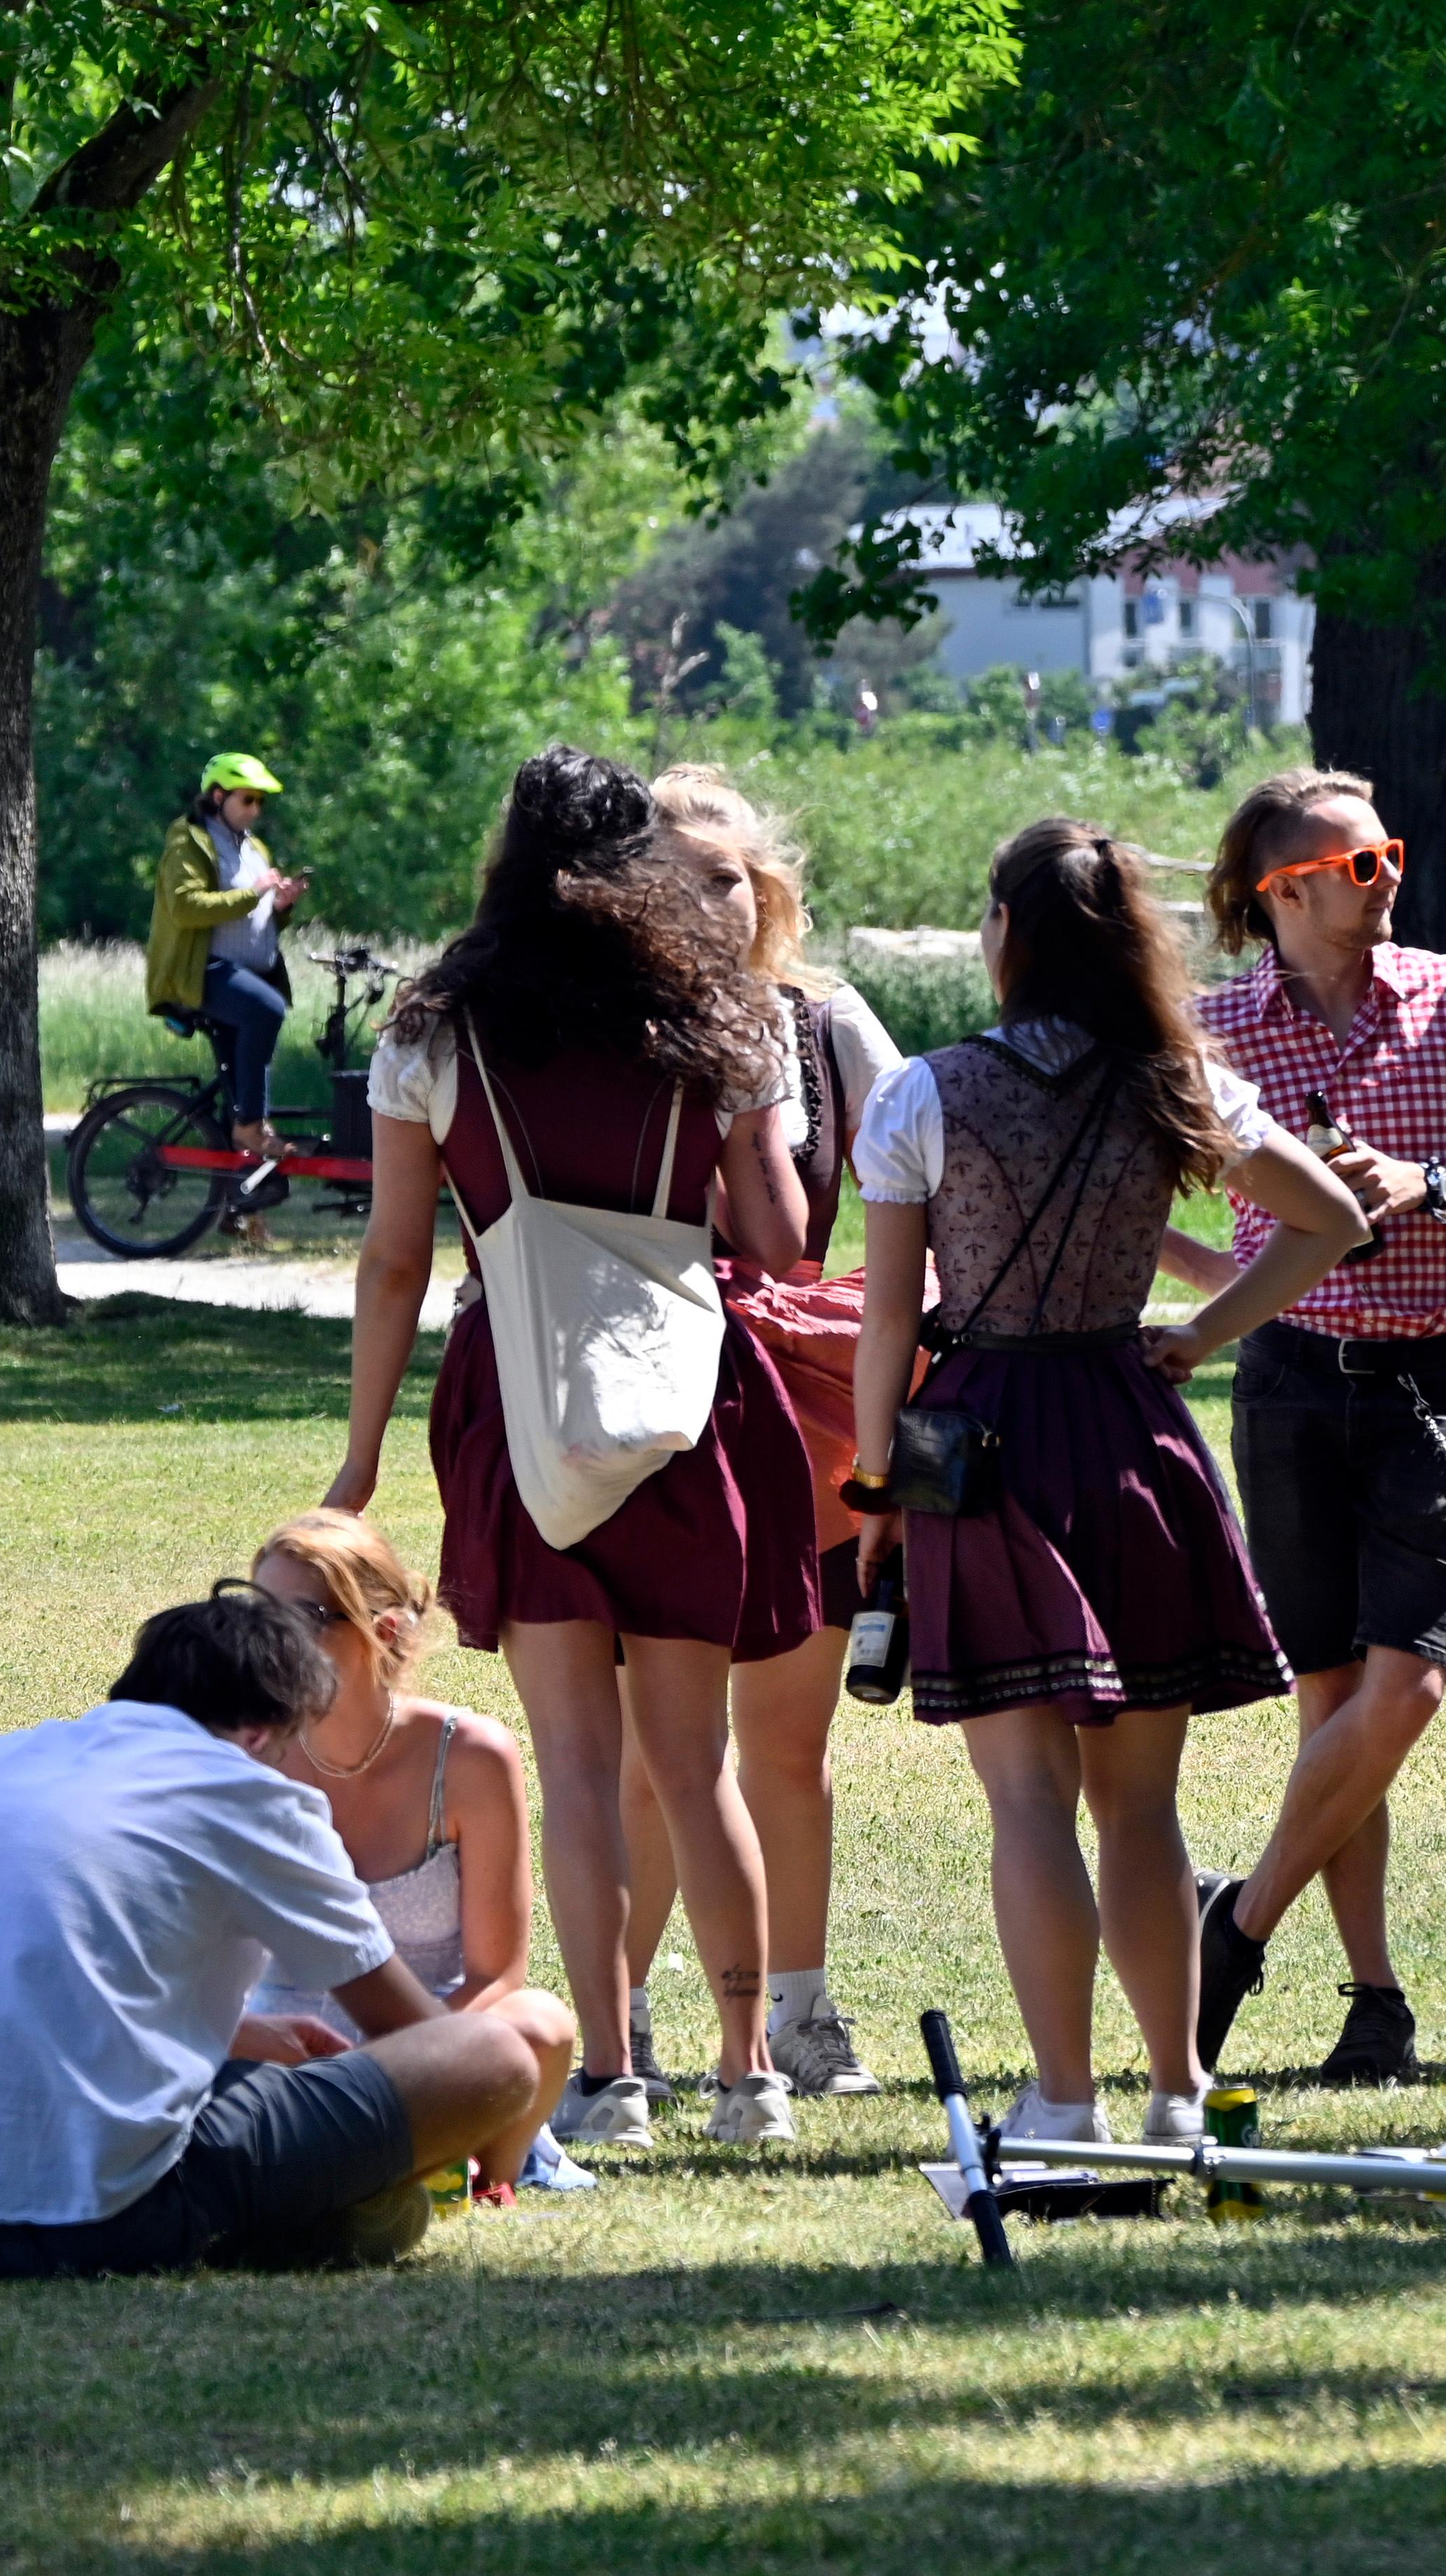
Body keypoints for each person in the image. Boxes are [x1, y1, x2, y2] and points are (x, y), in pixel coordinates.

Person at [324, 745, 816, 2152]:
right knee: (696, 1758)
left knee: (578, 1767)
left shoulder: (435, 1025)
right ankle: (749, 2072)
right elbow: (778, 1239)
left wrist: (358, 1460)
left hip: (519, 1392)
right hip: (686, 1397)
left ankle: (613, 2077)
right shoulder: (720, 1016)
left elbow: (395, 1259)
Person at [847, 819, 1367, 2144]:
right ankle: (1176, 2094)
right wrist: (1199, 1334)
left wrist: (869, 1484)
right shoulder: (1174, 1076)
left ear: (1006, 934)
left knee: (1026, 1800)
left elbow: (889, 1324)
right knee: (1142, 1802)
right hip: (1130, 1436)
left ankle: (1063, 2099)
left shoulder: (922, 1091)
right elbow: (1330, 1219)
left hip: (979, 1448)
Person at [1162, 770, 1446, 2086]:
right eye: (1354, 861)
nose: (1385, 874)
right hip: (1280, 1381)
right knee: (1328, 1695)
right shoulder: (1211, 1031)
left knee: (1411, 1684)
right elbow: (1134, 1190)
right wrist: (1202, 1289)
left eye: (1387, 850)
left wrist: (1431, 1185)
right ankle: (1373, 2002)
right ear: (1278, 889)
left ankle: (1238, 1919)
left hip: (1422, 1383)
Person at [0, 1584, 549, 2278]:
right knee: (494, 2054)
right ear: (262, 1734)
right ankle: (337, 2207)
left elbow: (48, 1980)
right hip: (102, 2216)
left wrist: (238, 2036)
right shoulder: (248, 1792)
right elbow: (411, 2032)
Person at [616, 764, 908, 2101]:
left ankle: (801, 2012)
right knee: (654, 1754)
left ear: (766, 889)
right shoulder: (599, 1024)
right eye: (675, 878)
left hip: (801, 1407)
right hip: (645, 1398)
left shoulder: (823, 1016)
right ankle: (620, 2026)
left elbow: (937, 1157)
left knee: (787, 1748)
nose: (707, 901)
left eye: (727, 876)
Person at [243, 1509, 581, 2198]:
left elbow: (496, 1975)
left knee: (541, 2022)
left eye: (299, 1619)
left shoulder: (472, 1755)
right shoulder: (245, 1749)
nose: (267, 1644)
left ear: (382, 1630)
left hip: (428, 2050)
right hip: (282, 2057)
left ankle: (495, 2177)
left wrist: (396, 2061)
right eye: (256, 1617)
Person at [145, 752, 309, 1162]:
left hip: (249, 972)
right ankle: (251, 1126)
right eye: (247, 799)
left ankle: (236, 1207)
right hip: (205, 972)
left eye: (260, 802)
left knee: (242, 1082)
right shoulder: (190, 841)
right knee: (267, 1011)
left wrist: (281, 904)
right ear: (218, 796)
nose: (255, 809)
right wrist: (253, 893)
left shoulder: (255, 848)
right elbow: (185, 907)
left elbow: (255, 918)